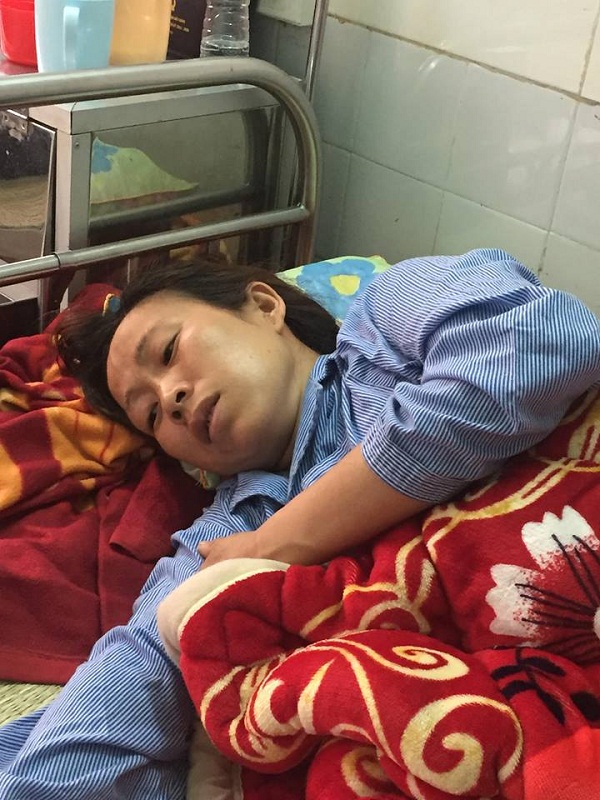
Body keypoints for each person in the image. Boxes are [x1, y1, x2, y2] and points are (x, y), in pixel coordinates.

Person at [0, 248, 599, 800]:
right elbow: (132, 684)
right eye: (152, 413)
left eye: (168, 352)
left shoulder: (385, 326)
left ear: (264, 305)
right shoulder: (221, 538)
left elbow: (543, 343)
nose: (172, 397)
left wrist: (283, 541)